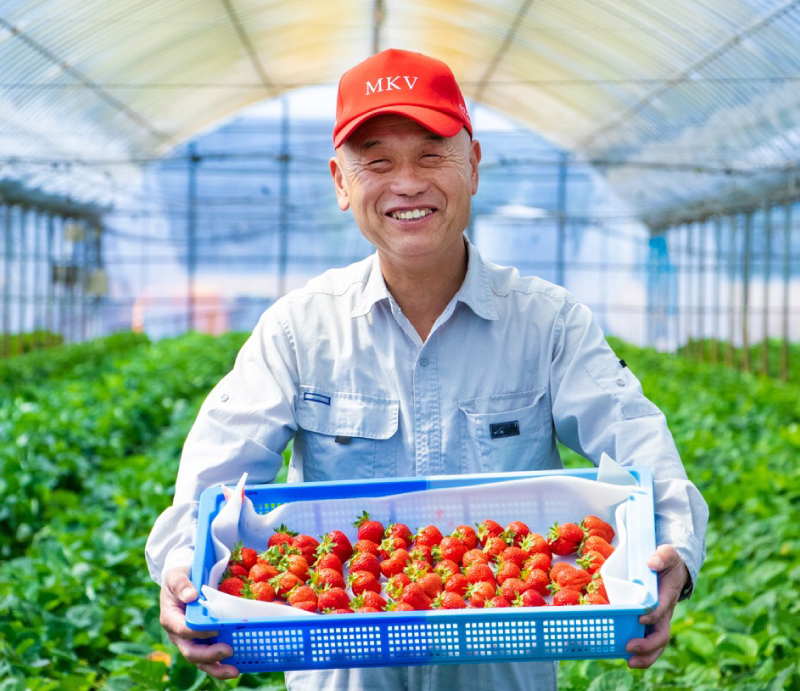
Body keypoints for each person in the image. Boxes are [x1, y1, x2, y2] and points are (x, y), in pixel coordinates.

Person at [146, 48, 708, 690]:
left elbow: (636, 438)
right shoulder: (298, 331)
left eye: (431, 154)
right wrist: (183, 568)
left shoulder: (549, 324)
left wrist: (672, 558)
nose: (406, 183)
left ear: (473, 166)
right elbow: (215, 479)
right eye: (377, 161)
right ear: (340, 182)